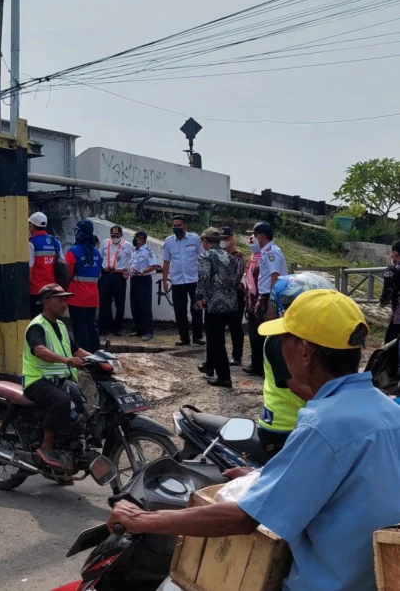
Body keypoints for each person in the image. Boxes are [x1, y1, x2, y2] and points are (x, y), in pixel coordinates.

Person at [107, 289, 400, 591]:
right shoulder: (389, 410)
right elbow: (354, 490)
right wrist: (261, 477)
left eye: (285, 338)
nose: (280, 347)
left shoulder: (324, 424)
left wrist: (143, 519)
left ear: (304, 352)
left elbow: (243, 519)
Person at [257, 272, 334, 458]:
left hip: (306, 422)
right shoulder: (281, 340)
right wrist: (337, 405)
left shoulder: (308, 337)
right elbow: (297, 387)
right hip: (285, 428)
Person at [23, 283, 92, 470]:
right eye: (60, 299)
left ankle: (67, 448)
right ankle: (47, 447)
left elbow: (76, 350)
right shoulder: (37, 326)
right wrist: (66, 360)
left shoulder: (60, 325)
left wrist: (99, 359)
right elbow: (39, 350)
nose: (65, 304)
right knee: (61, 401)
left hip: (59, 380)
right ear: (46, 302)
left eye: (65, 299)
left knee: (81, 405)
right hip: (37, 381)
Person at [196, 228, 242, 387]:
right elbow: (236, 278)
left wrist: (199, 297)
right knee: (220, 339)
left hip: (214, 304)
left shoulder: (205, 256)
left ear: (205, 242)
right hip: (231, 303)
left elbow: (203, 277)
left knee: (216, 341)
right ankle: (213, 369)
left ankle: (224, 377)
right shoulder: (230, 256)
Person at [162, 215, 204, 346]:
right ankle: (184, 338)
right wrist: (164, 280)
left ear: (185, 226)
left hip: (194, 279)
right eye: (174, 226)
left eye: (179, 226)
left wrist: (203, 278)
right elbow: (166, 262)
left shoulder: (194, 239)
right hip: (177, 281)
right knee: (179, 310)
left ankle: (197, 337)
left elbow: (202, 257)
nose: (176, 228)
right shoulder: (169, 241)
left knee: (196, 309)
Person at [64, 219, 102, 353]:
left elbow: (66, 273)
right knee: (92, 326)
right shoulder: (97, 253)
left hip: (76, 296)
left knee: (79, 327)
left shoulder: (72, 252)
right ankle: (95, 353)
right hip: (92, 297)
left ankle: (83, 355)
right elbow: (99, 274)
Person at [98, 225, 132, 337]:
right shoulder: (105, 243)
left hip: (119, 275)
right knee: (104, 302)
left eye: (117, 235)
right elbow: (100, 257)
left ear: (121, 235)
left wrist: (128, 272)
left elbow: (132, 260)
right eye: (112, 235)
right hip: (106, 275)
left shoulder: (127, 245)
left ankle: (117, 328)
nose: (114, 237)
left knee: (120, 303)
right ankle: (103, 327)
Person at [28, 211, 63, 318]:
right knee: (51, 318)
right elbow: (62, 264)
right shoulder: (55, 241)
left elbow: (29, 268)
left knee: (37, 319)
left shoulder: (31, 242)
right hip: (53, 289)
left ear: (32, 226)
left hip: (36, 290)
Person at [221, 226, 247, 367]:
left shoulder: (238, 256)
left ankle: (237, 356)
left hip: (235, 294)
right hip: (221, 294)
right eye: (221, 239)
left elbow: (236, 277)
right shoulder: (219, 255)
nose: (223, 241)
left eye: (225, 238)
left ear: (232, 238)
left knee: (235, 326)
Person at [128, 230, 159, 340]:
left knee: (145, 306)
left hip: (144, 279)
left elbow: (154, 266)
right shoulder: (135, 251)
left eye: (136, 238)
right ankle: (139, 329)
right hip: (134, 279)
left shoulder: (147, 251)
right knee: (135, 305)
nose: (134, 240)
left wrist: (141, 272)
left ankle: (148, 332)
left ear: (141, 239)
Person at [243, 234, 266, 376]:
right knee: (253, 335)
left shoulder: (264, 259)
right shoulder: (252, 259)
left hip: (261, 301)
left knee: (261, 335)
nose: (251, 244)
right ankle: (255, 365)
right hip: (251, 301)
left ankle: (262, 366)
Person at [380, 240, 400, 345]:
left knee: (390, 344)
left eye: (392, 252)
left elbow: (387, 291)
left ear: (396, 253)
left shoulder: (392, 270)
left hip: (398, 316)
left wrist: (382, 302)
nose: (391, 255)